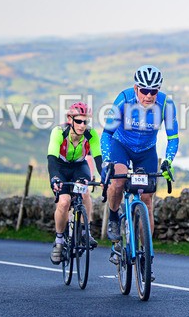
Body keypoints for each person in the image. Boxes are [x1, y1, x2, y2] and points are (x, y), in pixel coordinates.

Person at [101, 65, 179, 279]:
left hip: (146, 151)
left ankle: (146, 257)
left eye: (153, 91)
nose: (148, 95)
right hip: (121, 146)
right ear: (136, 88)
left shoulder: (165, 104)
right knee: (117, 181)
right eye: (144, 90)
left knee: (146, 199)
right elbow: (106, 134)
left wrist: (168, 162)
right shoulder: (124, 99)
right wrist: (107, 161)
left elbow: (173, 138)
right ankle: (115, 217)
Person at [48, 102, 102, 264]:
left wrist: (104, 177)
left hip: (80, 167)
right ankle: (59, 241)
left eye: (85, 122)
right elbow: (51, 158)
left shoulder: (91, 134)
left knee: (84, 193)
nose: (82, 125)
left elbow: (98, 158)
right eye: (78, 121)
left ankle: (85, 232)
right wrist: (54, 178)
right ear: (70, 119)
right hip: (60, 168)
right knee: (64, 202)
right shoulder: (59, 132)